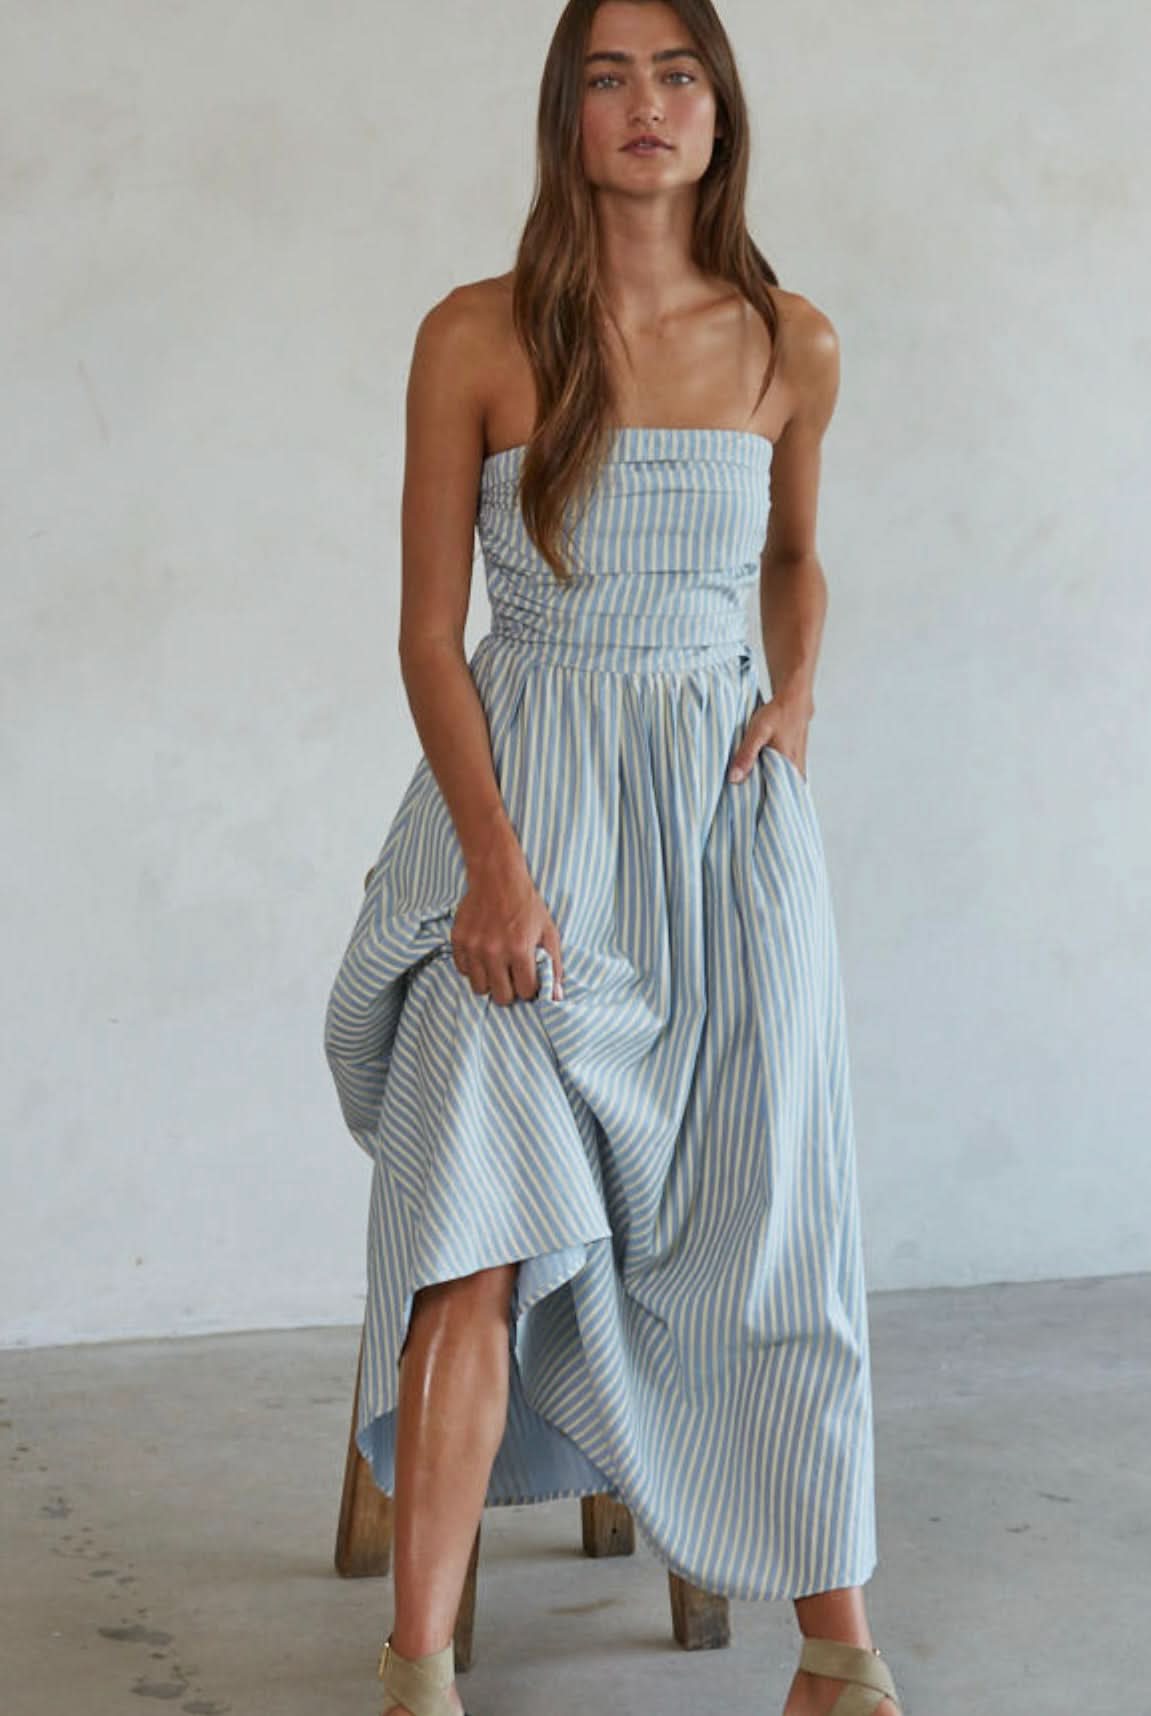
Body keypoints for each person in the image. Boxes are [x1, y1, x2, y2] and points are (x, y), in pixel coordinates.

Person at [323, 3, 904, 1714]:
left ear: (720, 113)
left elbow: (793, 555)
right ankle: (418, 1669)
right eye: (606, 75)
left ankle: (839, 1652)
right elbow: (429, 637)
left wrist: (795, 695)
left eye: (677, 73)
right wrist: (493, 871)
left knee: (775, 1223)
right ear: (565, 115)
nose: (645, 104)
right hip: (516, 840)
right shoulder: (479, 335)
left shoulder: (792, 342)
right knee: (475, 1220)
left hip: (717, 839)